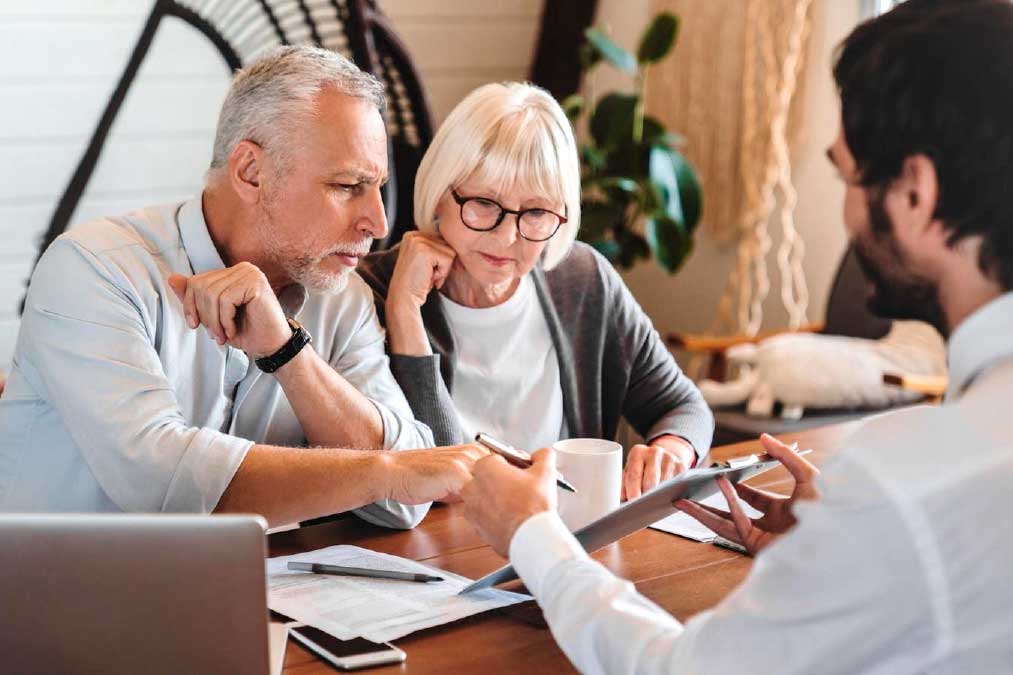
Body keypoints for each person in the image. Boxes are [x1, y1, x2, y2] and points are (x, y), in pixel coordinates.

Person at [459, 1, 1013, 671]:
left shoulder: (908, 482)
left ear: (914, 193)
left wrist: (533, 536)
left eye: (845, 176)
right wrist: (828, 561)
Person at [0, 46, 486, 528]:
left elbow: (406, 503)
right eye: (346, 186)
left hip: (252, 592)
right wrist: (385, 471)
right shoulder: (93, 270)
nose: (377, 222)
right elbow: (160, 484)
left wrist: (289, 353)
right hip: (59, 596)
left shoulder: (343, 298)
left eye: (376, 187)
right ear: (251, 172)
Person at [358, 82, 713, 500]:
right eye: (485, 204)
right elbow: (426, 473)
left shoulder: (580, 279)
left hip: (562, 541)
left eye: (537, 212)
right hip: (435, 550)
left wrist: (672, 448)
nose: (508, 236)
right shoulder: (372, 291)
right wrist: (404, 314)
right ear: (439, 193)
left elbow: (684, 407)